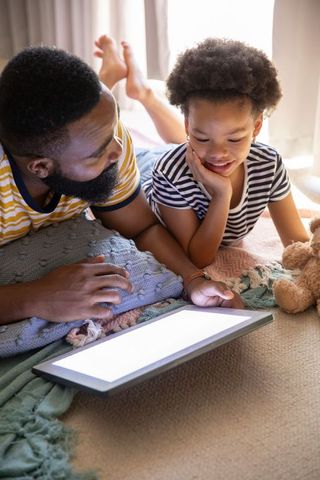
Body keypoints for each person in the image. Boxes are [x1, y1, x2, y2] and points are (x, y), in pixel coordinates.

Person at [0, 44, 243, 326]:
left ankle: (112, 77)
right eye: (98, 152)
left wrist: (194, 280)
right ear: (40, 167)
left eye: (113, 131)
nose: (117, 149)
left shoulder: (111, 141)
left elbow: (142, 227)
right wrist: (36, 296)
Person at [133, 37, 309, 268]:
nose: (218, 153)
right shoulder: (169, 174)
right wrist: (221, 195)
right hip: (147, 170)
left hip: (188, 155)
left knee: (187, 147)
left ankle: (144, 95)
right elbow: (199, 258)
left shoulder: (268, 163)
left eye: (234, 138)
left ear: (256, 127)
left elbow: (298, 244)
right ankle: (121, 89)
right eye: (202, 136)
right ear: (187, 125)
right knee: (106, 147)